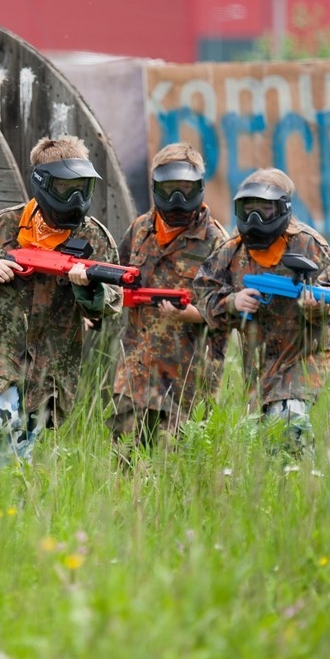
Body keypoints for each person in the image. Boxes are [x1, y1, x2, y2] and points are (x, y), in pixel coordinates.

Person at [0, 135, 123, 476]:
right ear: (42, 184)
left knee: (9, 467)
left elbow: (111, 301)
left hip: (51, 363)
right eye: (65, 188)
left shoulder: (96, 239)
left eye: (82, 187)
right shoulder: (5, 225)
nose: (75, 198)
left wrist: (88, 288)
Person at [194, 168, 330, 458]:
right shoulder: (232, 250)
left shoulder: (309, 244)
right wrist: (233, 302)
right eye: (247, 210)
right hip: (258, 359)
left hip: (305, 353)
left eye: (263, 210)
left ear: (282, 209)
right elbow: (202, 290)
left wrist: (316, 308)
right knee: (261, 435)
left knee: (289, 415)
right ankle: (280, 488)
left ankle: (303, 477)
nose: (254, 219)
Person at [106, 143, 229, 461]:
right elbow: (115, 278)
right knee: (125, 460)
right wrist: (95, 306)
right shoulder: (139, 230)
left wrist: (195, 314)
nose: (177, 198)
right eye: (169, 189)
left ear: (199, 187)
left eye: (185, 189)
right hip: (136, 369)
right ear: (156, 187)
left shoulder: (217, 242)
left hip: (188, 378)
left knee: (176, 464)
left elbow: (236, 307)